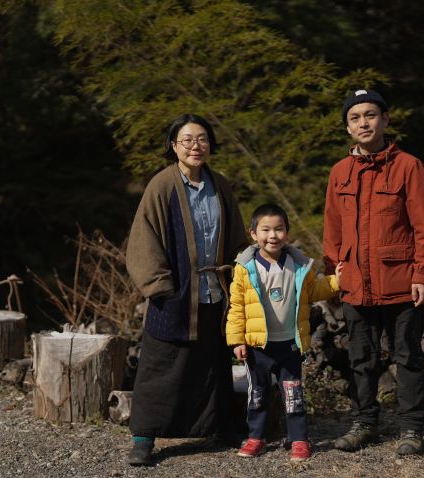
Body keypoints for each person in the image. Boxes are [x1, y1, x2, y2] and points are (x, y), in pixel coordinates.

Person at [125, 113, 248, 466]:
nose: (196, 146)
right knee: (161, 364)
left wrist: (242, 271)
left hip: (214, 290)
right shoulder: (162, 184)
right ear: (173, 146)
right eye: (187, 140)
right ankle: (144, 437)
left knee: (213, 364)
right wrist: (159, 285)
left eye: (203, 139)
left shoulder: (219, 184)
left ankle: (220, 425)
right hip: (176, 292)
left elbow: (237, 235)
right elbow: (143, 237)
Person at [323, 89, 424, 455]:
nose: (363, 123)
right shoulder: (339, 172)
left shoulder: (409, 166)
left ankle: (411, 430)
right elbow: (332, 229)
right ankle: (364, 423)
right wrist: (334, 270)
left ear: (385, 120)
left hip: (401, 282)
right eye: (355, 118)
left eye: (370, 115)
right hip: (356, 282)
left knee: (407, 357)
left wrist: (422, 273)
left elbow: (423, 227)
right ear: (347, 128)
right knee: (361, 359)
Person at [225, 204, 342, 462]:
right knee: (258, 394)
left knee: (293, 394)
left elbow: (314, 291)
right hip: (258, 346)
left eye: (279, 229)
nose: (273, 235)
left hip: (289, 343)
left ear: (287, 233)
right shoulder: (245, 268)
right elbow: (236, 308)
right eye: (265, 230)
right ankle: (256, 436)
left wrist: (336, 282)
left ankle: (298, 439)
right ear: (253, 234)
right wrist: (237, 340)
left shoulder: (298, 264)